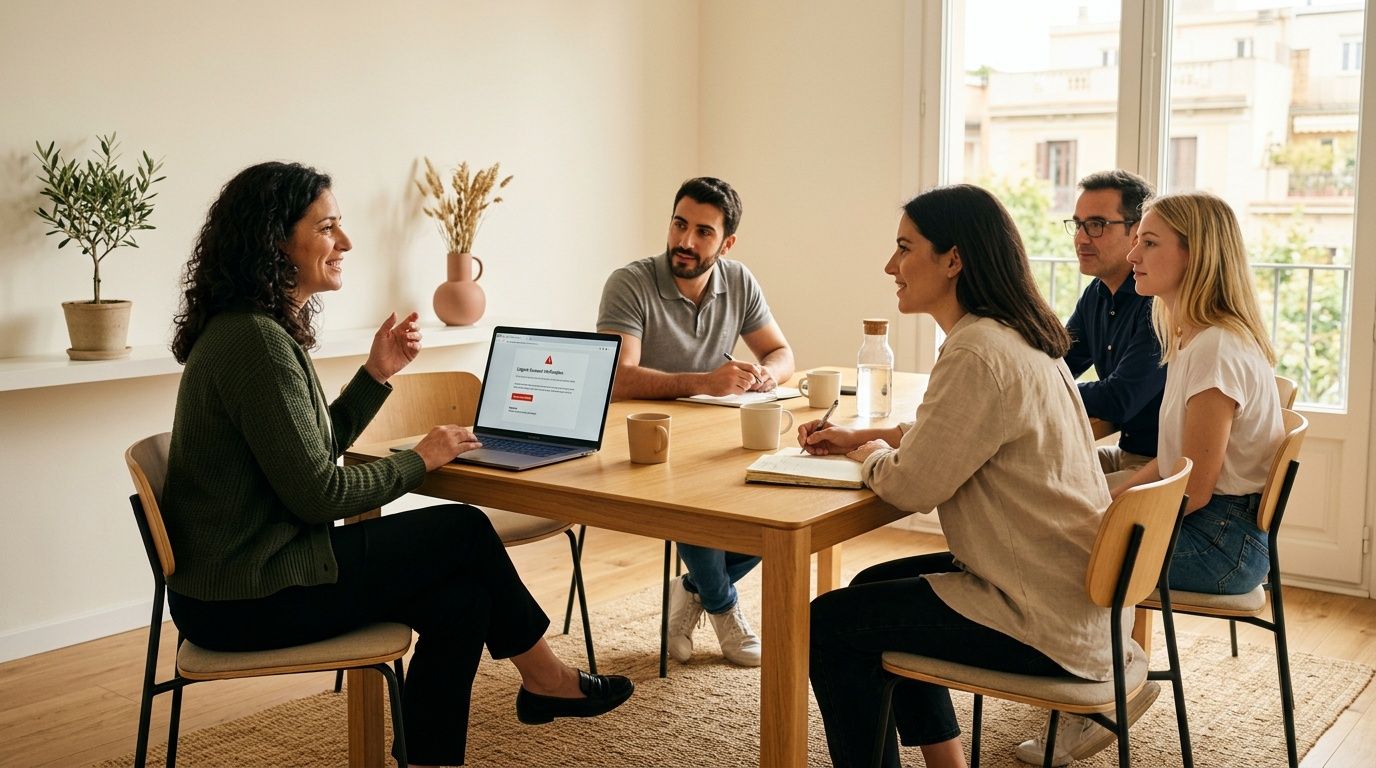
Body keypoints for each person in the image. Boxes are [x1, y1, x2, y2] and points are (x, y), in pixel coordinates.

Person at [162, 161, 632, 767]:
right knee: (462, 529)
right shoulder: (254, 342)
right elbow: (319, 494)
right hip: (247, 596)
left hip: (256, 575)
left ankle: (432, 756)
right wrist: (419, 457)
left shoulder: (254, 332)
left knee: (463, 600)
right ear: (276, 240)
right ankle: (545, 677)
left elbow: (305, 452)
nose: (346, 242)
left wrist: (376, 374)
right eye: (328, 227)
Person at [802, 184, 1117, 768]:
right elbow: (958, 435)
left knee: (826, 627)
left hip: (1037, 618)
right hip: (1067, 596)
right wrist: (868, 440)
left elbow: (911, 486)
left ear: (954, 259)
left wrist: (870, 451)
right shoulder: (1020, 336)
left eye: (904, 248)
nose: (890, 266)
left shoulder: (976, 351)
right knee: (873, 587)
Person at [1018, 191, 1286, 766]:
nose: (1134, 252)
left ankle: (1101, 699)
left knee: (1058, 551)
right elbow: (1172, 466)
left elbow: (1192, 489)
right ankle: (1102, 677)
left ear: (1197, 256)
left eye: (1150, 241)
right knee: (1066, 524)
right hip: (1220, 530)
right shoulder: (1196, 337)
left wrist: (1101, 516)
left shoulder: (1214, 349)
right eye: (1138, 238)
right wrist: (1103, 496)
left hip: (1222, 543)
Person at [596, 176, 795, 667]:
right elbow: (617, 379)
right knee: (697, 493)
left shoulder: (739, 280)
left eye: (703, 232)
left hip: (715, 433)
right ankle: (725, 609)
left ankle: (692, 588)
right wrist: (705, 381)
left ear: (726, 244)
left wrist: (768, 374)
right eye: (679, 224)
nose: (685, 241)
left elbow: (781, 351)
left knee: (782, 503)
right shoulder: (631, 282)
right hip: (645, 440)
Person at [1063, 170, 1166, 489]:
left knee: (1050, 499)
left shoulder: (1158, 303)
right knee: (1027, 475)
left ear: (1137, 232)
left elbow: (1120, 398)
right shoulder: (1096, 293)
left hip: (1162, 470)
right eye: (1078, 225)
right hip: (1127, 453)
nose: (1081, 238)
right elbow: (1057, 364)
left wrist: (1045, 390)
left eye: (1096, 225)